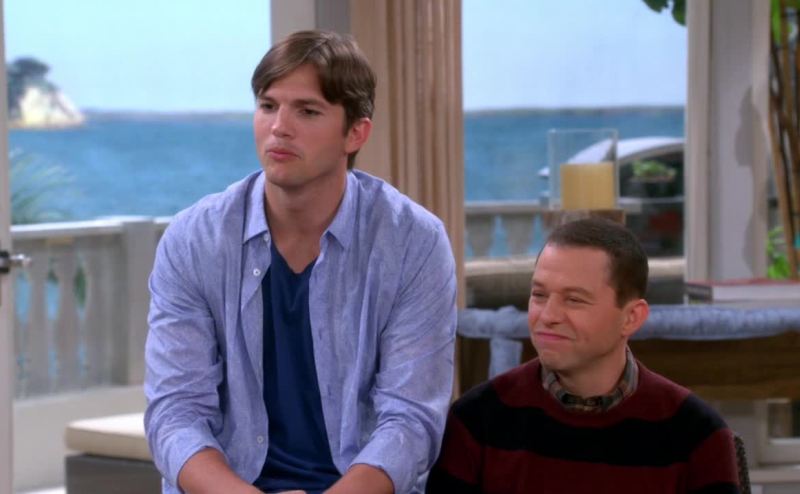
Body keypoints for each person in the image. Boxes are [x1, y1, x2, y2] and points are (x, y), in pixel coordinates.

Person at [144, 30, 457, 494]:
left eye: (307, 111)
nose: (279, 127)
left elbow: (410, 420)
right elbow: (176, 413)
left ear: (356, 132)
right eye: (268, 106)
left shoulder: (414, 242)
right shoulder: (194, 239)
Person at [426, 218, 740, 494]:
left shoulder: (696, 435)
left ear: (631, 318)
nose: (548, 315)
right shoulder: (476, 422)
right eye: (539, 295)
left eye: (574, 300)